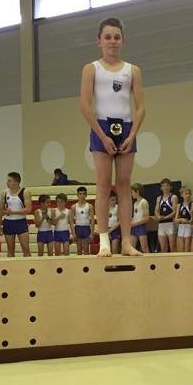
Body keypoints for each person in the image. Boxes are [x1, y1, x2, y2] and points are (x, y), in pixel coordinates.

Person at [79, 17, 145, 257]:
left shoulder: (132, 70)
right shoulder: (91, 69)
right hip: (102, 126)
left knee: (125, 186)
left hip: (126, 127)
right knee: (104, 184)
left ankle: (127, 241)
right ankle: (105, 239)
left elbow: (140, 108)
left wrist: (133, 133)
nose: (112, 41)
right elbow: (85, 106)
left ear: (123, 40)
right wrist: (102, 136)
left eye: (116, 37)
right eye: (107, 37)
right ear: (99, 41)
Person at [0, 172, 31, 257]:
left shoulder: (25, 192)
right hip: (8, 223)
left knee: (26, 250)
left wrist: (13, 212)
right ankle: (11, 270)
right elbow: (0, 210)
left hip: (21, 222)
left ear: (16, 182)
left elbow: (28, 209)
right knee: (10, 250)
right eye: (7, 180)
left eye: (9, 181)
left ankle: (27, 268)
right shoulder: (4, 193)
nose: (7, 183)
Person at [153, 178, 178, 253]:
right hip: (161, 225)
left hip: (170, 224)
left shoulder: (173, 197)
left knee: (172, 246)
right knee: (163, 247)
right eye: (163, 186)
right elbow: (156, 211)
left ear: (171, 187)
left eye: (167, 186)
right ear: (161, 188)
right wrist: (158, 216)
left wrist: (164, 218)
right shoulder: (159, 198)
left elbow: (174, 212)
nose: (165, 188)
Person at [72, 186, 94, 255]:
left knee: (86, 249)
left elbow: (92, 220)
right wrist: (73, 233)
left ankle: (86, 265)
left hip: (86, 228)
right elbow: (71, 221)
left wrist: (92, 233)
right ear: (77, 195)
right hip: (78, 228)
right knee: (79, 249)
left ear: (86, 195)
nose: (82, 195)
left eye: (84, 194)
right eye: (80, 194)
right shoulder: (74, 206)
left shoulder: (90, 206)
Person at [130, 183, 150, 253]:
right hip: (134, 227)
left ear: (137, 192)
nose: (131, 194)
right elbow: (135, 216)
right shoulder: (135, 203)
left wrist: (134, 224)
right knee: (131, 248)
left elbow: (146, 218)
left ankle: (149, 263)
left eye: (132, 192)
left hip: (141, 227)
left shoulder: (144, 202)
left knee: (144, 248)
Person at [175, 187, 193, 252]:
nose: (188, 195)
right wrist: (180, 219)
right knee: (180, 248)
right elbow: (175, 219)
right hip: (181, 227)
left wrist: (187, 221)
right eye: (186, 194)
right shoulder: (179, 205)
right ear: (181, 195)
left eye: (189, 194)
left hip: (189, 226)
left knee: (187, 248)